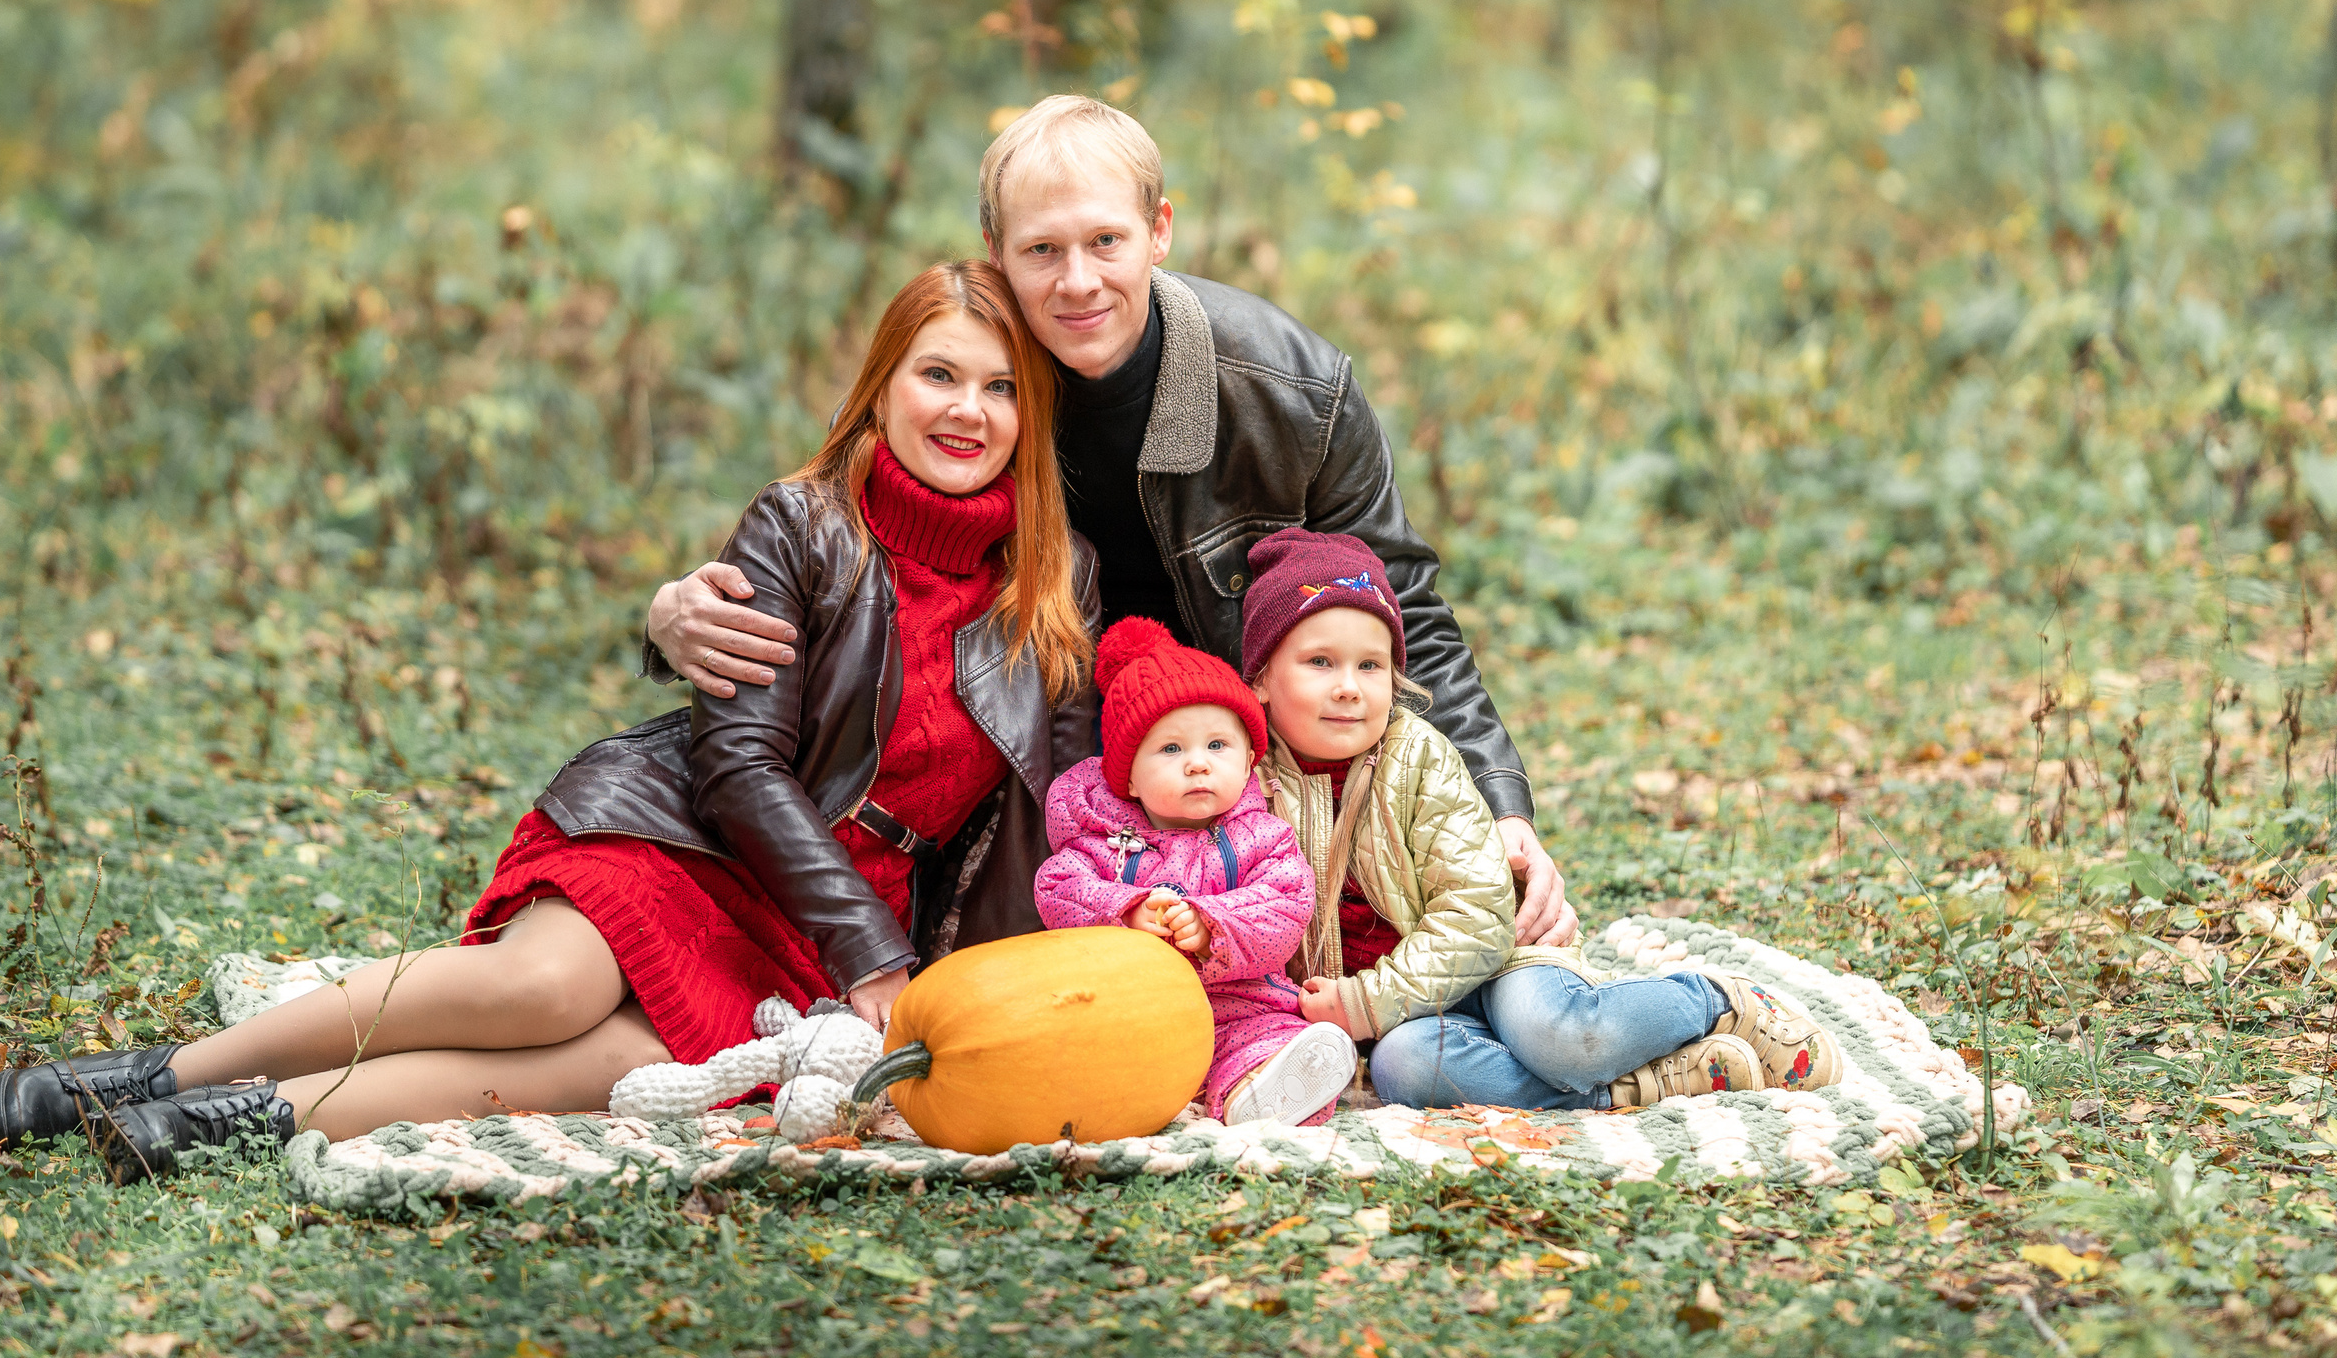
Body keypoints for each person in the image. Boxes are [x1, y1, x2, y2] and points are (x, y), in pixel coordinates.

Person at [0, 262, 1098, 1181]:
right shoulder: (802, 526)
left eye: (999, 387)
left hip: (833, 924)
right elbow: (739, 766)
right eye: (938, 373)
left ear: (1027, 413)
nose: (966, 409)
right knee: (542, 990)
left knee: (597, 1062)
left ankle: (233, 1118)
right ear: (882, 383)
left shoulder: (1055, 581)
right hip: (694, 837)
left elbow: (1052, 807)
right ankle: (148, 1073)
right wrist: (867, 946)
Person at [646, 94, 1580, 950]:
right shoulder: (976, 382)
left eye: (1106, 241)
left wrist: (1500, 805)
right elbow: (843, 522)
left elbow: (1402, 606)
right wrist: (668, 616)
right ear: (995, 247)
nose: (1078, 281)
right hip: (1034, 783)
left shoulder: (1293, 392)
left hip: (1249, 763)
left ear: (1160, 232)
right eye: (1042, 250)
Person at [1239, 527, 1844, 1110]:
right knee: (1406, 1070)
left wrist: (1369, 1000)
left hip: (1496, 957)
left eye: (1370, 666)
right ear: (1262, 677)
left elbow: (1475, 916)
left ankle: (1714, 1001)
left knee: (1560, 1039)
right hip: (1401, 1015)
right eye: (1321, 662)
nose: (1350, 688)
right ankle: (1648, 1085)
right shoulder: (1243, 779)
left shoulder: (1416, 758)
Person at [1033, 618, 1357, 1127]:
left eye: (1216, 746)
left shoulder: (1263, 838)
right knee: (1072, 1042)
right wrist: (1125, 912)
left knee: (1274, 1039)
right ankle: (1107, 1092)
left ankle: (1260, 1090)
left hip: (1238, 1009)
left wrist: (1212, 926)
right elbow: (1058, 890)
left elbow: (1284, 907)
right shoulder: (1100, 843)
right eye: (1170, 749)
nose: (1197, 765)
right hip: (1129, 1011)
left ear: (1250, 760)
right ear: (1129, 778)